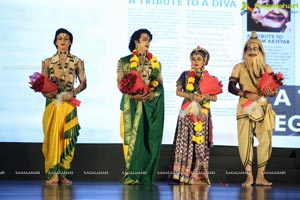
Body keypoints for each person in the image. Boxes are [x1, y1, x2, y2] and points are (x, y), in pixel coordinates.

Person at [228, 31, 277, 186]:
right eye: (249, 48)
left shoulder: (267, 68)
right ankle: (249, 176)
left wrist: (272, 92)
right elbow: (231, 87)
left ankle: (261, 176)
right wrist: (246, 94)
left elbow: (274, 90)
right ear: (245, 51)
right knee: (245, 142)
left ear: (261, 51)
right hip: (245, 108)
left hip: (262, 108)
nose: (252, 51)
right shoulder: (239, 67)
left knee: (266, 141)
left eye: (256, 48)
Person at [116, 29, 164, 184]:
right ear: (136, 42)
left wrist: (152, 95)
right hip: (131, 105)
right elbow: (120, 84)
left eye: (149, 39)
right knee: (130, 140)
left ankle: (144, 175)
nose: (147, 42)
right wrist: (133, 96)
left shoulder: (155, 63)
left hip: (149, 108)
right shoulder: (123, 61)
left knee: (147, 140)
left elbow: (159, 86)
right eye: (144, 39)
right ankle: (132, 175)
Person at [41, 28, 87, 184]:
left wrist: (72, 93)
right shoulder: (47, 62)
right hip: (53, 104)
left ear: (70, 42)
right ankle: (53, 174)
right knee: (53, 138)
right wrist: (49, 93)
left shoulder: (77, 61)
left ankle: (63, 174)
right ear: (55, 42)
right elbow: (42, 85)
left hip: (68, 103)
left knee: (66, 139)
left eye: (66, 38)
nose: (63, 41)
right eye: (59, 38)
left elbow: (84, 83)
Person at [169, 46, 218, 185]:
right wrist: (191, 95)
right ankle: (183, 174)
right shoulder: (185, 75)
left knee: (199, 143)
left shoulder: (210, 78)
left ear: (205, 61)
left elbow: (215, 98)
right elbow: (178, 92)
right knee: (185, 141)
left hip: (202, 113)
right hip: (187, 112)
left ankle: (197, 175)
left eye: (199, 59)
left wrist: (205, 96)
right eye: (193, 59)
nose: (195, 61)